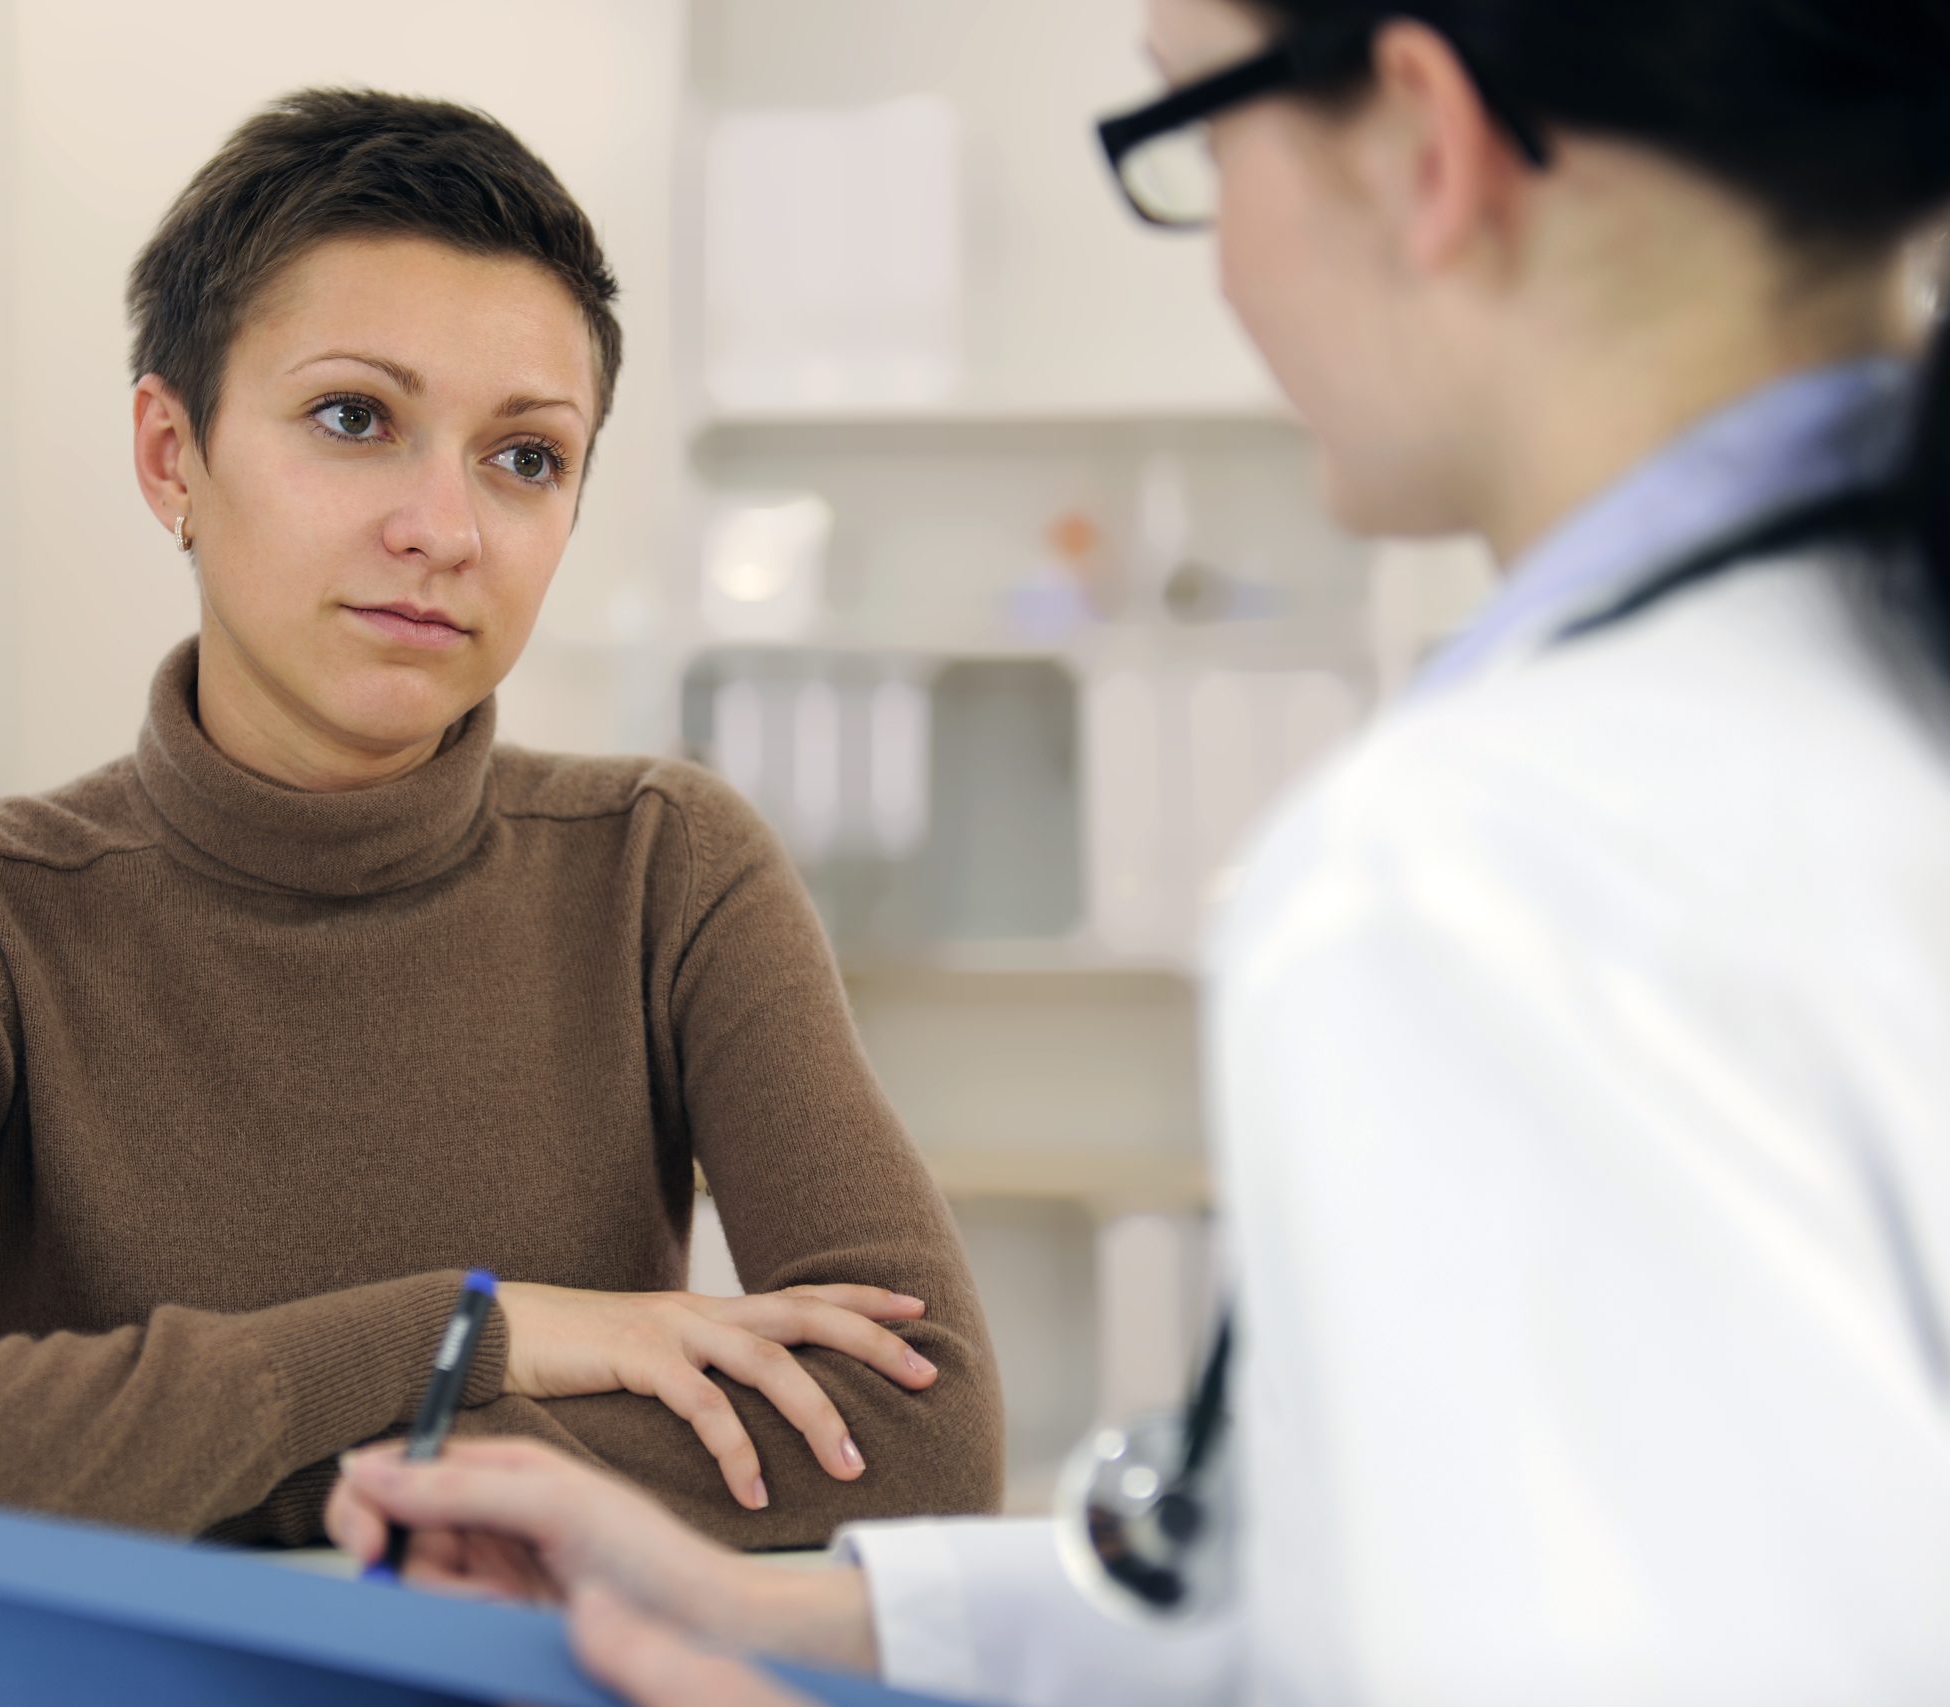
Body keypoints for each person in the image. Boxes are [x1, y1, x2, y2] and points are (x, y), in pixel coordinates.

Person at [325, 2, 1950, 1701]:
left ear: (1424, 142)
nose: (1226, 263)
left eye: (1196, 139)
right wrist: (793, 1620)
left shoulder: (1486, 871)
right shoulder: (1822, 710)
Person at [0, 89, 1003, 1632]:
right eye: (353, 419)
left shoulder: (667, 870)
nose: (444, 527)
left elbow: (919, 1439)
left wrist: (169, 1457)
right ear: (170, 453)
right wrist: (465, 1337)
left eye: (525, 456)